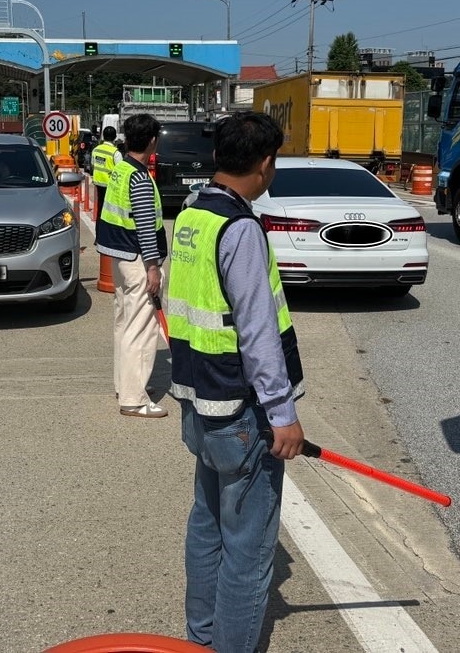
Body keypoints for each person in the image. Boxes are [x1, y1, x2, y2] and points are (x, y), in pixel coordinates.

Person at [166, 111, 305, 652]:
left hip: (199, 399)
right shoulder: (240, 228)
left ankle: (200, 639)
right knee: (247, 552)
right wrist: (283, 414)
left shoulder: (194, 212)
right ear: (265, 164)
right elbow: (257, 332)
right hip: (242, 412)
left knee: (207, 524)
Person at [96, 114, 167, 418]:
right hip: (138, 260)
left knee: (125, 323)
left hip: (119, 258)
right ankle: (135, 399)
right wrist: (153, 267)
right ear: (152, 141)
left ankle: (125, 385)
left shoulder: (120, 169)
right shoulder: (139, 177)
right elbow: (145, 226)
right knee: (141, 328)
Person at [90, 126, 121, 216]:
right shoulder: (116, 153)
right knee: (110, 210)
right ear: (115, 137)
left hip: (98, 182)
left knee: (100, 207)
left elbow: (93, 164)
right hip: (111, 185)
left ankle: (99, 228)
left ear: (103, 135)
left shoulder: (96, 149)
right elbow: (120, 170)